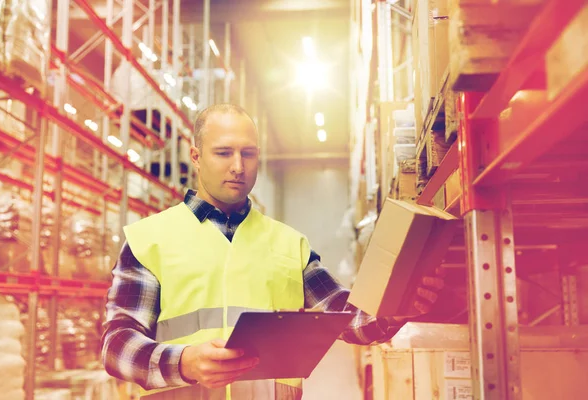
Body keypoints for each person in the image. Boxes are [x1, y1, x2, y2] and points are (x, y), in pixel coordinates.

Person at [101, 104, 444, 400]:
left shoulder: (288, 243)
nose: (238, 166)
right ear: (196, 156)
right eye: (223, 153)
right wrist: (184, 362)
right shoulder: (150, 239)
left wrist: (399, 306)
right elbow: (117, 345)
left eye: (248, 153)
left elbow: (345, 316)